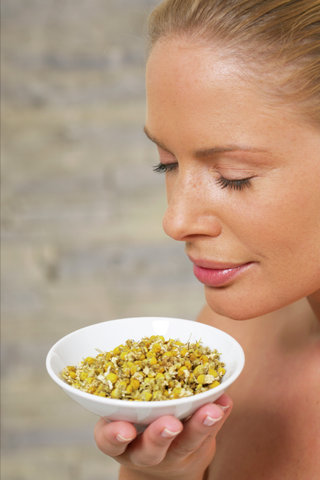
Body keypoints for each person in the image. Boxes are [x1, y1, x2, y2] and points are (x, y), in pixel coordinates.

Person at [94, 1, 320, 478]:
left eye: (234, 177)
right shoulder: (231, 343)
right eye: (167, 163)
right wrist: (162, 473)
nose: (175, 221)